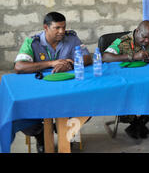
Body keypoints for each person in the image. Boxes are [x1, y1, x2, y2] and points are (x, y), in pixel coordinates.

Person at [13, 12, 92, 152]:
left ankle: (67, 133)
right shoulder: (32, 42)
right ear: (46, 27)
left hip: (68, 89)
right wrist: (51, 63)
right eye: (57, 28)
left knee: (89, 104)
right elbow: (19, 67)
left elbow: (87, 58)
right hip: (40, 91)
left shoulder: (72, 38)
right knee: (24, 117)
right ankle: (41, 135)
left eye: (64, 27)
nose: (62, 31)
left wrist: (70, 64)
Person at [102, 20, 149, 139]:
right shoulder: (122, 41)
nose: (147, 41)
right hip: (127, 82)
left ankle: (140, 123)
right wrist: (132, 56)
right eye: (144, 37)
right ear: (137, 31)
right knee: (128, 101)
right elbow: (105, 57)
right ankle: (136, 123)